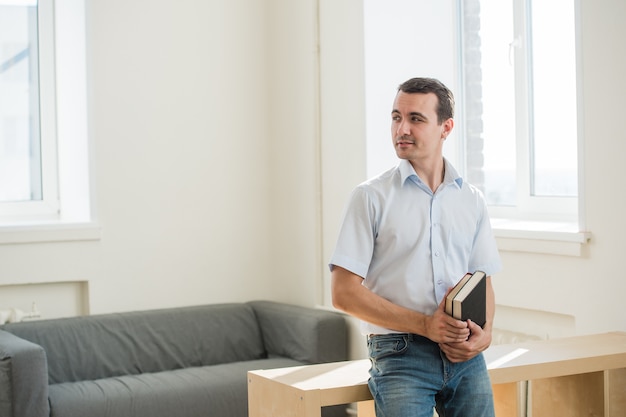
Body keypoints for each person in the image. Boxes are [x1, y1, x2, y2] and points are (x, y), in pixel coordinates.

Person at [329, 77, 502, 417]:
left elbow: (482, 279)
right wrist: (424, 325)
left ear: (445, 127)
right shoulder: (370, 197)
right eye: (396, 117)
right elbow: (343, 293)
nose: (401, 128)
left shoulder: (472, 200)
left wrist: (486, 335)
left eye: (416, 119)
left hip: (464, 354)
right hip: (399, 353)